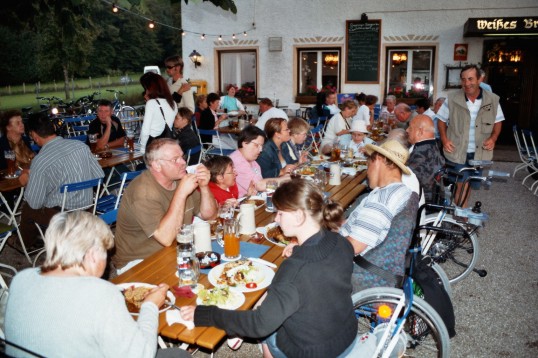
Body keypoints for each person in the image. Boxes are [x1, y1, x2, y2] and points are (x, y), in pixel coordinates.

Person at [180, 180, 359, 358]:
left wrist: (207, 314)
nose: (276, 219)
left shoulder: (295, 270)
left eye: (280, 213)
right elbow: (320, 269)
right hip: (347, 336)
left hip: (312, 352)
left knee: (268, 327)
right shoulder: (341, 242)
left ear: (298, 216)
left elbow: (259, 325)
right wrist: (298, 249)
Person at [5, 211, 189, 358]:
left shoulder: (21, 279)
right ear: (92, 255)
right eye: (105, 254)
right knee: (177, 355)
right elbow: (141, 354)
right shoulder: (101, 293)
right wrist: (150, 305)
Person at [112, 138, 217, 273]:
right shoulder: (143, 192)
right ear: (156, 165)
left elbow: (210, 215)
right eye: (175, 160)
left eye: (182, 157)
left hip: (176, 249)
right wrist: (181, 193)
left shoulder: (179, 179)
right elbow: (166, 239)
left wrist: (204, 187)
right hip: (139, 262)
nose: (183, 162)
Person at [339, 140, 418, 293]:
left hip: (356, 269)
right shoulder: (402, 191)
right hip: (373, 262)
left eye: (369, 164)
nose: (367, 172)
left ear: (379, 160)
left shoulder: (380, 201)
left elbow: (353, 246)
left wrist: (316, 245)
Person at [18, 113, 104, 251]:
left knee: (28, 208)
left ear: (34, 135)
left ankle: (25, 245)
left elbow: (35, 203)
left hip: (63, 215)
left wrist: (29, 182)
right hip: (88, 208)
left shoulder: (40, 160)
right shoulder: (80, 146)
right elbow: (99, 176)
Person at [437, 64, 504, 208]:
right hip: (457, 150)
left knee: (470, 183)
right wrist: (444, 139)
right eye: (463, 79)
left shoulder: (492, 100)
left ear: (480, 79)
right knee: (461, 184)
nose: (467, 83)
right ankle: (461, 217)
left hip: (479, 152)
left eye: (470, 79)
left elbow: (498, 122)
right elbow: (441, 120)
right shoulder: (452, 98)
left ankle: (460, 209)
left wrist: (493, 138)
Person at [229, 126, 287, 197]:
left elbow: (263, 185)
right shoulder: (237, 161)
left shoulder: (252, 160)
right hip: (241, 204)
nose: (260, 150)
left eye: (261, 146)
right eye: (256, 145)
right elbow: (259, 185)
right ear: (245, 143)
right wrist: (286, 180)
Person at [406, 115, 445, 203]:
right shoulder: (432, 145)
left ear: (420, 131)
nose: (407, 130)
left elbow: (407, 179)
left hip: (421, 201)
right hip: (433, 197)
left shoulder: (421, 153)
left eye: (410, 128)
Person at [139, 72, 177, 153]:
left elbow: (145, 130)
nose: (145, 91)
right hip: (167, 144)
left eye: (146, 88)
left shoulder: (151, 104)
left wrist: (142, 148)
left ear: (151, 88)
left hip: (154, 147)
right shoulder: (173, 103)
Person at [0, 109, 34, 186]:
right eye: (18, 123)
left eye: (22, 122)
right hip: (10, 184)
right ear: (8, 127)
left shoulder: (25, 140)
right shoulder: (2, 145)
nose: (22, 125)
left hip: (30, 180)